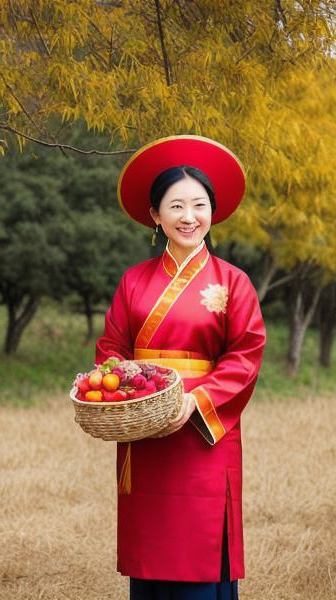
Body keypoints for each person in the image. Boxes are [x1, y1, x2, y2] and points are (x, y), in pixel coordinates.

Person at [95, 135, 266, 600]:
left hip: (202, 432)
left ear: (213, 210)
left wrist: (193, 401)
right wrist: (129, 396)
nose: (189, 217)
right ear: (155, 215)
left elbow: (245, 355)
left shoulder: (234, 282)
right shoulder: (133, 280)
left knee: (203, 555)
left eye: (199, 205)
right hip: (145, 432)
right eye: (175, 206)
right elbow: (112, 348)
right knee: (152, 560)